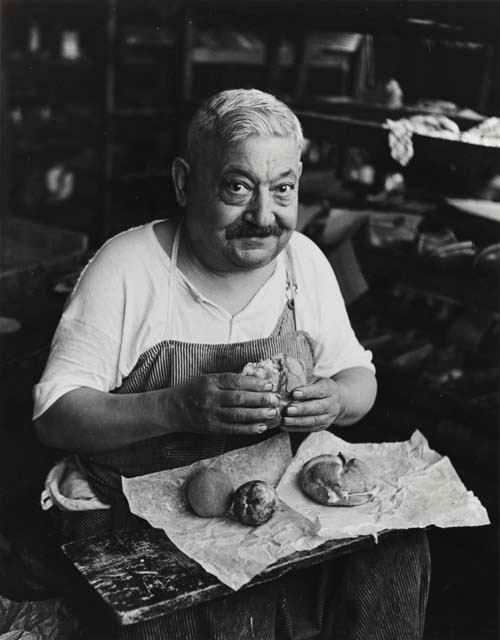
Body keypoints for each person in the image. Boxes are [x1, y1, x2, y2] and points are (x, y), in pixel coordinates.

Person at [33, 89, 430, 639]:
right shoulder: (127, 267)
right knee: (172, 614)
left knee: (394, 552)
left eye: (283, 189)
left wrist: (337, 398)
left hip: (267, 505)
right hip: (136, 510)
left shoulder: (305, 264)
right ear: (183, 182)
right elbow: (55, 415)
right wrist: (174, 406)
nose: (263, 217)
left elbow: (359, 379)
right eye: (237, 187)